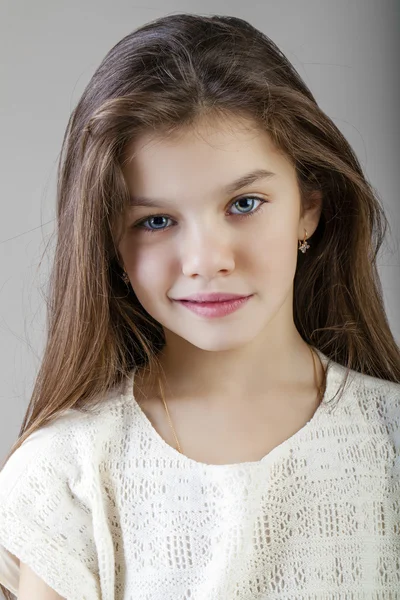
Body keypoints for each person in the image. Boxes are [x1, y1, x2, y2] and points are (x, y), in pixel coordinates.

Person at [0, 12, 399, 600]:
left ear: (308, 209)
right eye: (156, 220)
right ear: (109, 240)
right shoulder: (68, 475)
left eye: (244, 203)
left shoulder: (390, 444)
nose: (206, 259)